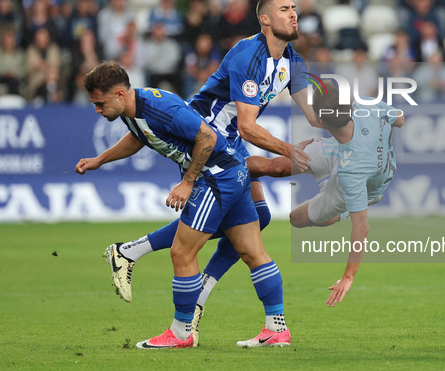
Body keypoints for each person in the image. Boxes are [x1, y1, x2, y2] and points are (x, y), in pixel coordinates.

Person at [102, 0, 315, 340]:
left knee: (252, 224)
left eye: (295, 9)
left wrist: (358, 125)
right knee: (213, 236)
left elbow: (315, 115)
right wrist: (296, 152)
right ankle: (195, 302)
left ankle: (135, 256)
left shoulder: (293, 62)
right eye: (285, 9)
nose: (294, 14)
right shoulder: (248, 55)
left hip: (230, 143)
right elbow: (247, 126)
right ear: (265, 19)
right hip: (208, 144)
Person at [75, 61, 290, 348]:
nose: (98, 111)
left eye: (100, 104)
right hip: (233, 173)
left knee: (182, 252)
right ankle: (277, 329)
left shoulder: (160, 106)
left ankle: (180, 334)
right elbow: (139, 137)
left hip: (216, 177)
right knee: (252, 251)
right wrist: (99, 160)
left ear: (119, 94)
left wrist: (188, 182)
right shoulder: (132, 111)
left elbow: (207, 136)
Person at [289, 80, 404, 306]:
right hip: (341, 149)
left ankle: (344, 210)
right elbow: (399, 119)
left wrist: (348, 276)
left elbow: (362, 228)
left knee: (295, 218)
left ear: (320, 121)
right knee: (286, 163)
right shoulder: (368, 105)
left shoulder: (351, 175)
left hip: (359, 179)